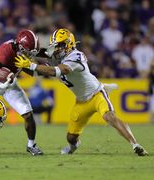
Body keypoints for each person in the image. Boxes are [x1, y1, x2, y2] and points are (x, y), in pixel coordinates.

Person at [14, 28, 148, 156]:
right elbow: (39, 56)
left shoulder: (76, 56)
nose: (58, 48)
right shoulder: (55, 54)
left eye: (61, 45)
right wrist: (20, 53)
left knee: (109, 116)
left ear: (69, 43)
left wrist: (30, 65)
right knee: (71, 137)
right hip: (81, 101)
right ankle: (73, 147)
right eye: (56, 45)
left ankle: (135, 144)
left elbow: (60, 70)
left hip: (97, 95)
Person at [0, 29, 61, 156]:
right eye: (28, 52)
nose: (30, 56)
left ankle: (31, 145)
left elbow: (39, 55)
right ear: (20, 46)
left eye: (32, 53)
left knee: (28, 114)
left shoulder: (24, 50)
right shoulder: (7, 50)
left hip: (9, 83)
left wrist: (52, 53)